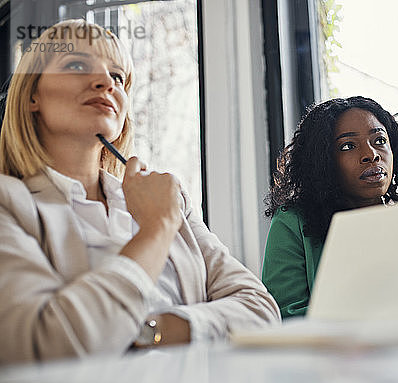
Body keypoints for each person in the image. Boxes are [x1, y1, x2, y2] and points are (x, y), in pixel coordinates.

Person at [0, 19, 280, 364]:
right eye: (76, 65)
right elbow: (44, 344)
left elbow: (261, 309)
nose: (106, 83)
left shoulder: (169, 198)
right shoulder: (8, 203)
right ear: (32, 95)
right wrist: (158, 228)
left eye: (118, 76)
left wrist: (153, 330)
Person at [262, 96, 398, 318]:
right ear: (323, 161)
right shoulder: (292, 222)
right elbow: (286, 313)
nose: (371, 155)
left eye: (379, 141)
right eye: (348, 146)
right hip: (331, 350)